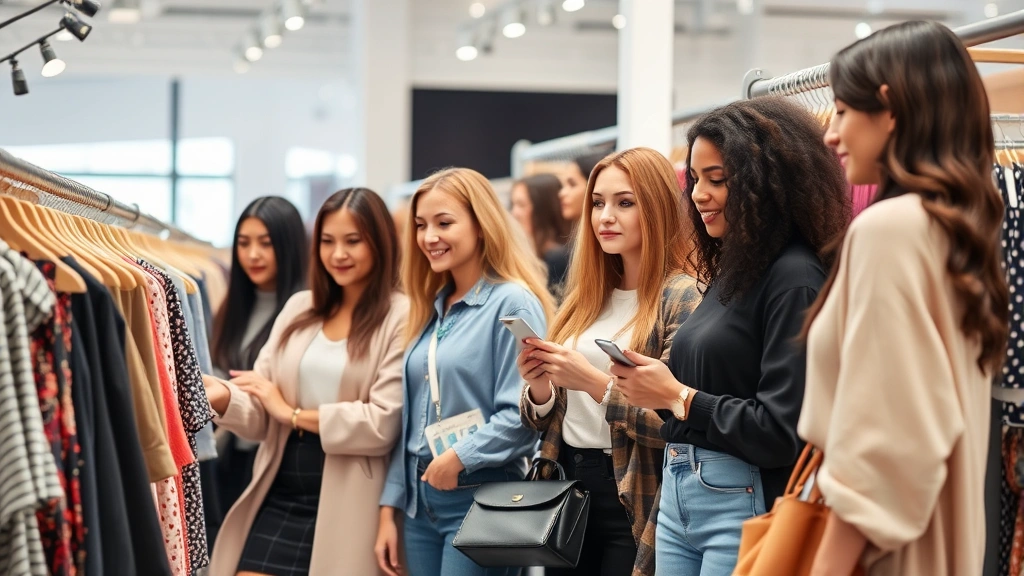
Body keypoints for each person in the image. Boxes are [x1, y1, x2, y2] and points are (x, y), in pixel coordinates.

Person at [798, 21, 1009, 576]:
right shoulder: (955, 229)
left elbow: (886, 442)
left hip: (883, 554)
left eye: (842, 111)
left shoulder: (889, 231)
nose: (830, 134)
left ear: (889, 109)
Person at [609, 98, 851, 575]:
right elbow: (706, 396)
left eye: (717, 179)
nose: (699, 195)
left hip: (741, 500)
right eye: (695, 179)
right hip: (681, 492)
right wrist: (655, 389)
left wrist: (677, 396)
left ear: (768, 180)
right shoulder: (733, 272)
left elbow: (782, 431)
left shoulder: (795, 277)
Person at [203, 188, 408, 576]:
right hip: (280, 486)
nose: (338, 254)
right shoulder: (301, 307)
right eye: (328, 241)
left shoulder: (400, 315)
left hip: (349, 495)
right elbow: (261, 404)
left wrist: (292, 414)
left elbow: (381, 423)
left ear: (380, 243)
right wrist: (223, 396)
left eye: (353, 241)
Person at [518, 147, 701, 576]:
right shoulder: (585, 296)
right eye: (598, 203)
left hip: (632, 488)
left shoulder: (682, 296)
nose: (605, 216)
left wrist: (592, 383)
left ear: (655, 208)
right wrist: (541, 387)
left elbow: (675, 423)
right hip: (567, 482)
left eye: (624, 203)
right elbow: (543, 415)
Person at [375, 167, 555, 576]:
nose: (429, 237)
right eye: (421, 225)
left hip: (485, 494)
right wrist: (391, 507)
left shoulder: (512, 302)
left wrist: (459, 455)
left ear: (480, 224)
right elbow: (412, 422)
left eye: (444, 223)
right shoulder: (431, 306)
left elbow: (523, 416)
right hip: (422, 502)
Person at [209, 196, 308, 537]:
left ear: (289, 246)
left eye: (266, 244)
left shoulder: (304, 312)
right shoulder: (230, 307)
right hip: (230, 457)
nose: (253, 254)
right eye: (244, 243)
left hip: (277, 464)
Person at [509, 173, 572, 293]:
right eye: (513, 205)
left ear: (543, 209)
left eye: (521, 205)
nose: (514, 213)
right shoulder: (531, 256)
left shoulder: (557, 259)